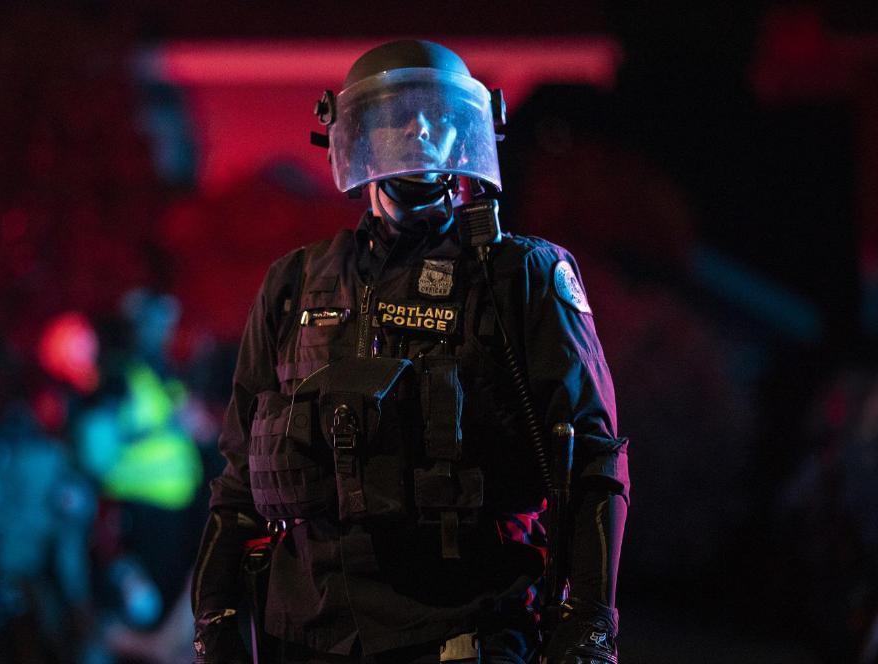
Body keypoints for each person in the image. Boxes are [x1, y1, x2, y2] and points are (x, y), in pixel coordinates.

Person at [191, 40, 629, 664]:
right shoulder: (294, 283)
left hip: (459, 625)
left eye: (440, 117)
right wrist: (216, 613)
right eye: (399, 115)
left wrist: (589, 621)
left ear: (467, 137)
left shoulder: (517, 275)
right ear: (357, 135)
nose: (420, 129)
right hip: (304, 630)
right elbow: (239, 473)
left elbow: (593, 458)